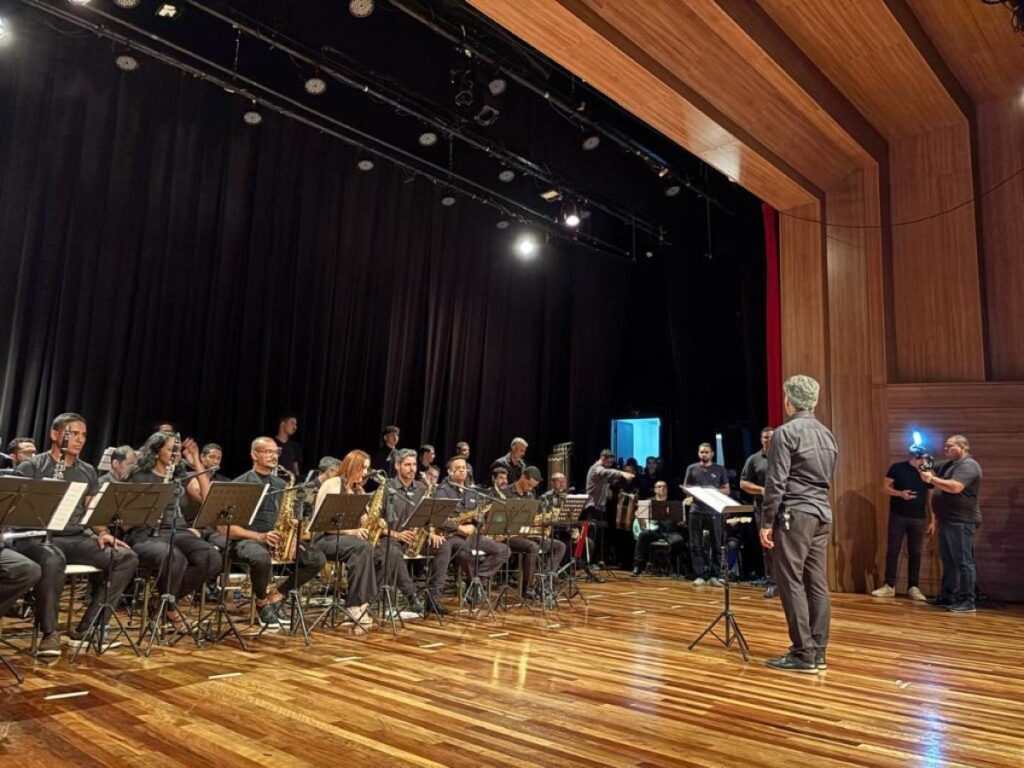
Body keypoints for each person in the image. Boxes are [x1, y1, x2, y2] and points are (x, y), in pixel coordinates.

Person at [14, 412, 139, 655]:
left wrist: (102, 532)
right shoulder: (32, 466)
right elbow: (16, 511)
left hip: (74, 537)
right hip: (38, 537)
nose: (80, 439)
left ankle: (88, 627)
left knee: (125, 557)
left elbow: (91, 507)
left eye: (84, 435)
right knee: (52, 558)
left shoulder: (87, 470)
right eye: (74, 434)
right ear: (55, 434)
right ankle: (50, 634)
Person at [761, 375, 837, 674]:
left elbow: (776, 480)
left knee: (790, 581)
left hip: (795, 512)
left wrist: (767, 521)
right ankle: (817, 651)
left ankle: (803, 653)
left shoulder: (785, 432)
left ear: (789, 401)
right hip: (821, 512)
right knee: (816, 583)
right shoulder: (827, 434)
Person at [213, 437, 327, 629]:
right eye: (268, 452)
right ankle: (261, 602)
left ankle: (276, 597)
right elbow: (224, 528)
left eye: (276, 452)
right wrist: (260, 536)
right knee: (260, 557)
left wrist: (292, 540)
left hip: (275, 539)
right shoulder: (240, 484)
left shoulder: (282, 484)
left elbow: (291, 518)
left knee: (316, 559)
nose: (273, 456)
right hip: (246, 539)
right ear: (254, 455)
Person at [124, 432, 221, 632]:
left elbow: (208, 497)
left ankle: (162, 602)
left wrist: (195, 460)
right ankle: (171, 611)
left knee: (210, 557)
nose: (176, 454)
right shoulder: (140, 476)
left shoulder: (179, 475)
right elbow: (128, 517)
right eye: (171, 449)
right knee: (174, 558)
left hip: (177, 530)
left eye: (178, 450)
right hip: (145, 531)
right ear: (156, 451)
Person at [311, 451, 379, 630]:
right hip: (325, 538)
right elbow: (324, 524)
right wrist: (353, 532)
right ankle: (354, 605)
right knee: (361, 548)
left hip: (346, 539)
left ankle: (364, 601)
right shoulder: (333, 484)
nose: (365, 473)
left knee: (375, 549)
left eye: (366, 468)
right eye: (362, 468)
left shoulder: (357, 488)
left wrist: (373, 520)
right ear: (351, 466)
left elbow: (365, 519)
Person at [382, 449, 450, 614]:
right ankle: (412, 596)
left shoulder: (422, 488)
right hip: (393, 538)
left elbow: (428, 517)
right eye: (407, 465)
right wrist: (397, 535)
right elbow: (375, 523)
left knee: (444, 546)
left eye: (414, 464)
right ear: (398, 466)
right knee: (393, 553)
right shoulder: (386, 489)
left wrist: (431, 532)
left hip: (417, 538)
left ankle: (433, 598)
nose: (412, 468)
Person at [920, 435, 982, 613]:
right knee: (949, 560)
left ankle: (967, 601)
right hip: (947, 520)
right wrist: (923, 457)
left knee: (963, 561)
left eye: (950, 446)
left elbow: (955, 487)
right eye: (945, 446)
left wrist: (931, 479)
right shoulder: (948, 464)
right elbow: (928, 470)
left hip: (962, 520)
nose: (945, 449)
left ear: (962, 447)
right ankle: (947, 596)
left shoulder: (969, 465)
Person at [434, 456, 509, 598]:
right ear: (450, 472)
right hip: (451, 535)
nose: (462, 471)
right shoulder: (442, 491)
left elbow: (478, 519)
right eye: (458, 468)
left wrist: (479, 519)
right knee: (465, 551)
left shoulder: (472, 492)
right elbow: (439, 520)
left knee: (504, 550)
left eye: (464, 468)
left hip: (471, 534)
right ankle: (473, 585)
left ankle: (476, 580)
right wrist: (459, 528)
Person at [871, 449, 931, 601]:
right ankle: (889, 585)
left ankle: (914, 587)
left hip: (919, 517)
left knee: (915, 552)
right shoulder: (897, 468)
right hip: (898, 515)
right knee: (893, 550)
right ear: (916, 455)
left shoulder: (927, 472)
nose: (924, 459)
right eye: (922, 457)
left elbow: (930, 496)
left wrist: (933, 519)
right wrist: (900, 494)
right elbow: (884, 487)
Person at [502, 466, 567, 597]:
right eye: (529, 485)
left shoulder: (531, 495)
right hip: (510, 535)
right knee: (533, 547)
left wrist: (547, 521)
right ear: (522, 477)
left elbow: (536, 518)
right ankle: (527, 589)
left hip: (529, 534)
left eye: (533, 486)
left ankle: (544, 582)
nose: (531, 489)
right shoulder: (506, 493)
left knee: (560, 546)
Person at [582, 450, 634, 580]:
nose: (610, 465)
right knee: (591, 538)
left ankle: (593, 564)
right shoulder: (596, 469)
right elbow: (605, 472)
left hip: (600, 508)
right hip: (592, 508)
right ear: (603, 459)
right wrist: (622, 472)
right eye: (609, 462)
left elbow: (609, 479)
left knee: (599, 538)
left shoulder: (603, 470)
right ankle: (587, 564)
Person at [684, 443, 731, 587]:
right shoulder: (692, 468)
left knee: (716, 543)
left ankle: (714, 575)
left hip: (714, 510)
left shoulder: (719, 469)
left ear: (712, 454)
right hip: (696, 510)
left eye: (706, 452)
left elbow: (727, 490)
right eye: (701, 452)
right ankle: (699, 575)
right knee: (695, 544)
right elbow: (686, 488)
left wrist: (712, 491)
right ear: (698, 453)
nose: (704, 454)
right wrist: (697, 492)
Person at [740, 427, 777, 597]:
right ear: (761, 439)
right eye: (766, 437)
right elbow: (743, 483)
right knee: (767, 545)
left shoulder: (784, 456)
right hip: (762, 507)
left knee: (788, 546)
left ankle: (790, 583)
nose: (769, 439)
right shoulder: (754, 459)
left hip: (784, 507)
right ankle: (772, 583)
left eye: (772, 437)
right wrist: (762, 490)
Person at [631, 480, 684, 576]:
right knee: (643, 535)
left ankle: (673, 568)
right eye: (659, 487)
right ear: (655, 489)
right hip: (655, 531)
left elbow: (680, 521)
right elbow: (641, 519)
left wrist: (681, 522)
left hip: (670, 532)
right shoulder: (648, 502)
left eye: (664, 487)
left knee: (679, 540)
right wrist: (639, 515)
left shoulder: (674, 503)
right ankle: (637, 566)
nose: (662, 489)